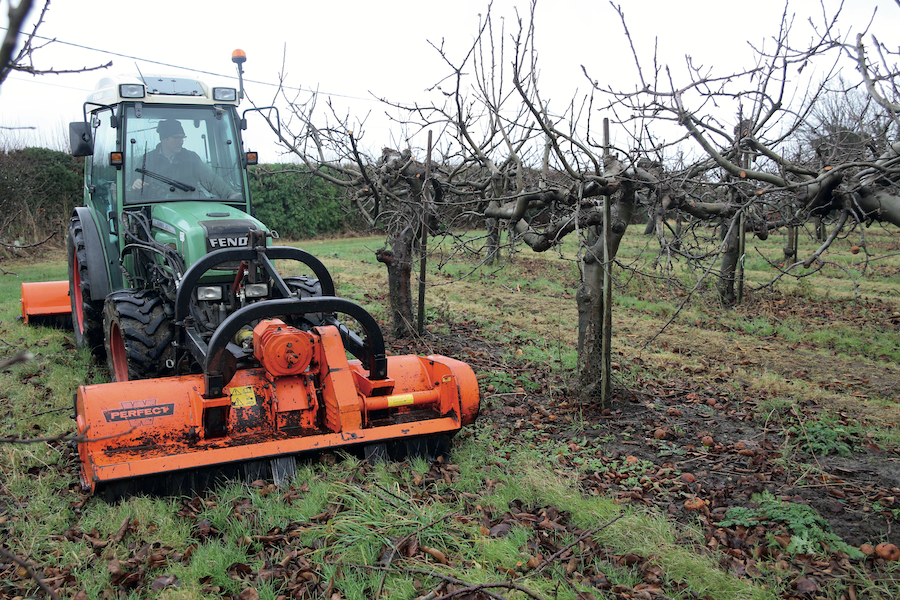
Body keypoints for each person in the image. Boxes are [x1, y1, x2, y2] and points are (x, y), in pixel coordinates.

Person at [131, 120, 241, 199]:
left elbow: (210, 179)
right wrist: (136, 184)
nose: (181, 142)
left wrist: (229, 194)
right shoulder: (147, 160)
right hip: (157, 208)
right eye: (176, 138)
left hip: (188, 205)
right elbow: (133, 184)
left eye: (182, 138)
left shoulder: (190, 158)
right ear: (164, 139)